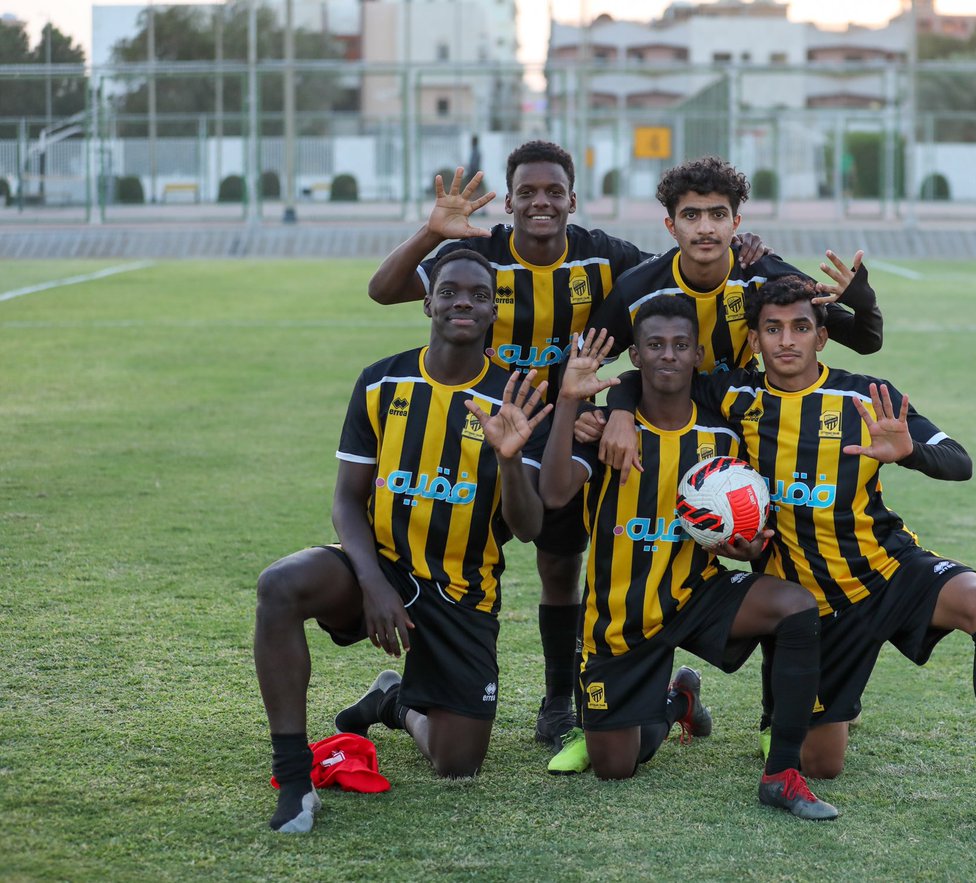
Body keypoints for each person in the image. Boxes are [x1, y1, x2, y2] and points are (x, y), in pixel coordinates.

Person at [605, 275, 976, 839]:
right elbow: (648, 377)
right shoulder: (736, 396)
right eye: (772, 329)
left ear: (821, 337)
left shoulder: (864, 396)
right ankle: (773, 704)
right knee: (822, 764)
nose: (787, 341)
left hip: (887, 571)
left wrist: (910, 452)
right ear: (752, 340)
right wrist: (617, 411)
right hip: (811, 608)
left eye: (801, 328)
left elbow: (959, 460)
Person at [364, 141, 773, 768]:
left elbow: (671, 276)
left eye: (554, 191)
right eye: (527, 192)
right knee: (478, 558)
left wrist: (741, 257)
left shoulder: (603, 257)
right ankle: (439, 689)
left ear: (572, 200)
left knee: (576, 562)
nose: (541, 203)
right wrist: (428, 232)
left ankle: (561, 702)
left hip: (568, 431)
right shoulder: (480, 254)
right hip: (483, 427)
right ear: (509, 199)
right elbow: (382, 290)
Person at [254, 249, 551, 833]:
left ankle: (393, 701)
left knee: (458, 761)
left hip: (461, 589)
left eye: (478, 295)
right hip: (379, 567)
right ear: (428, 303)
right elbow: (346, 501)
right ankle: (293, 778)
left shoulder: (516, 397)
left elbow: (528, 528)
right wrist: (373, 585)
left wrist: (511, 461)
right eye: (449, 291)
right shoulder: (382, 380)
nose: (462, 301)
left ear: (494, 312)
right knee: (279, 585)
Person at [535, 296, 838, 820]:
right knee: (615, 766)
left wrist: (747, 545)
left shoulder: (722, 435)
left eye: (680, 345)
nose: (668, 355)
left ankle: (782, 768)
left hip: (697, 594)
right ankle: (679, 701)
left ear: (699, 354)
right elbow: (556, 493)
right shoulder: (608, 429)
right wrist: (568, 403)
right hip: (620, 620)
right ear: (636, 355)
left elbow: (745, 511)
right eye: (654, 345)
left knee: (794, 604)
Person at [584, 155, 882, 487]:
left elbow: (865, 340)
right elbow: (583, 364)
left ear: (735, 223)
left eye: (718, 215)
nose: (706, 228)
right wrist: (601, 413)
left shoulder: (766, 276)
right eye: (691, 215)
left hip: (742, 420)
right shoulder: (637, 288)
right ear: (671, 226)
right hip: (660, 423)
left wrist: (865, 304)